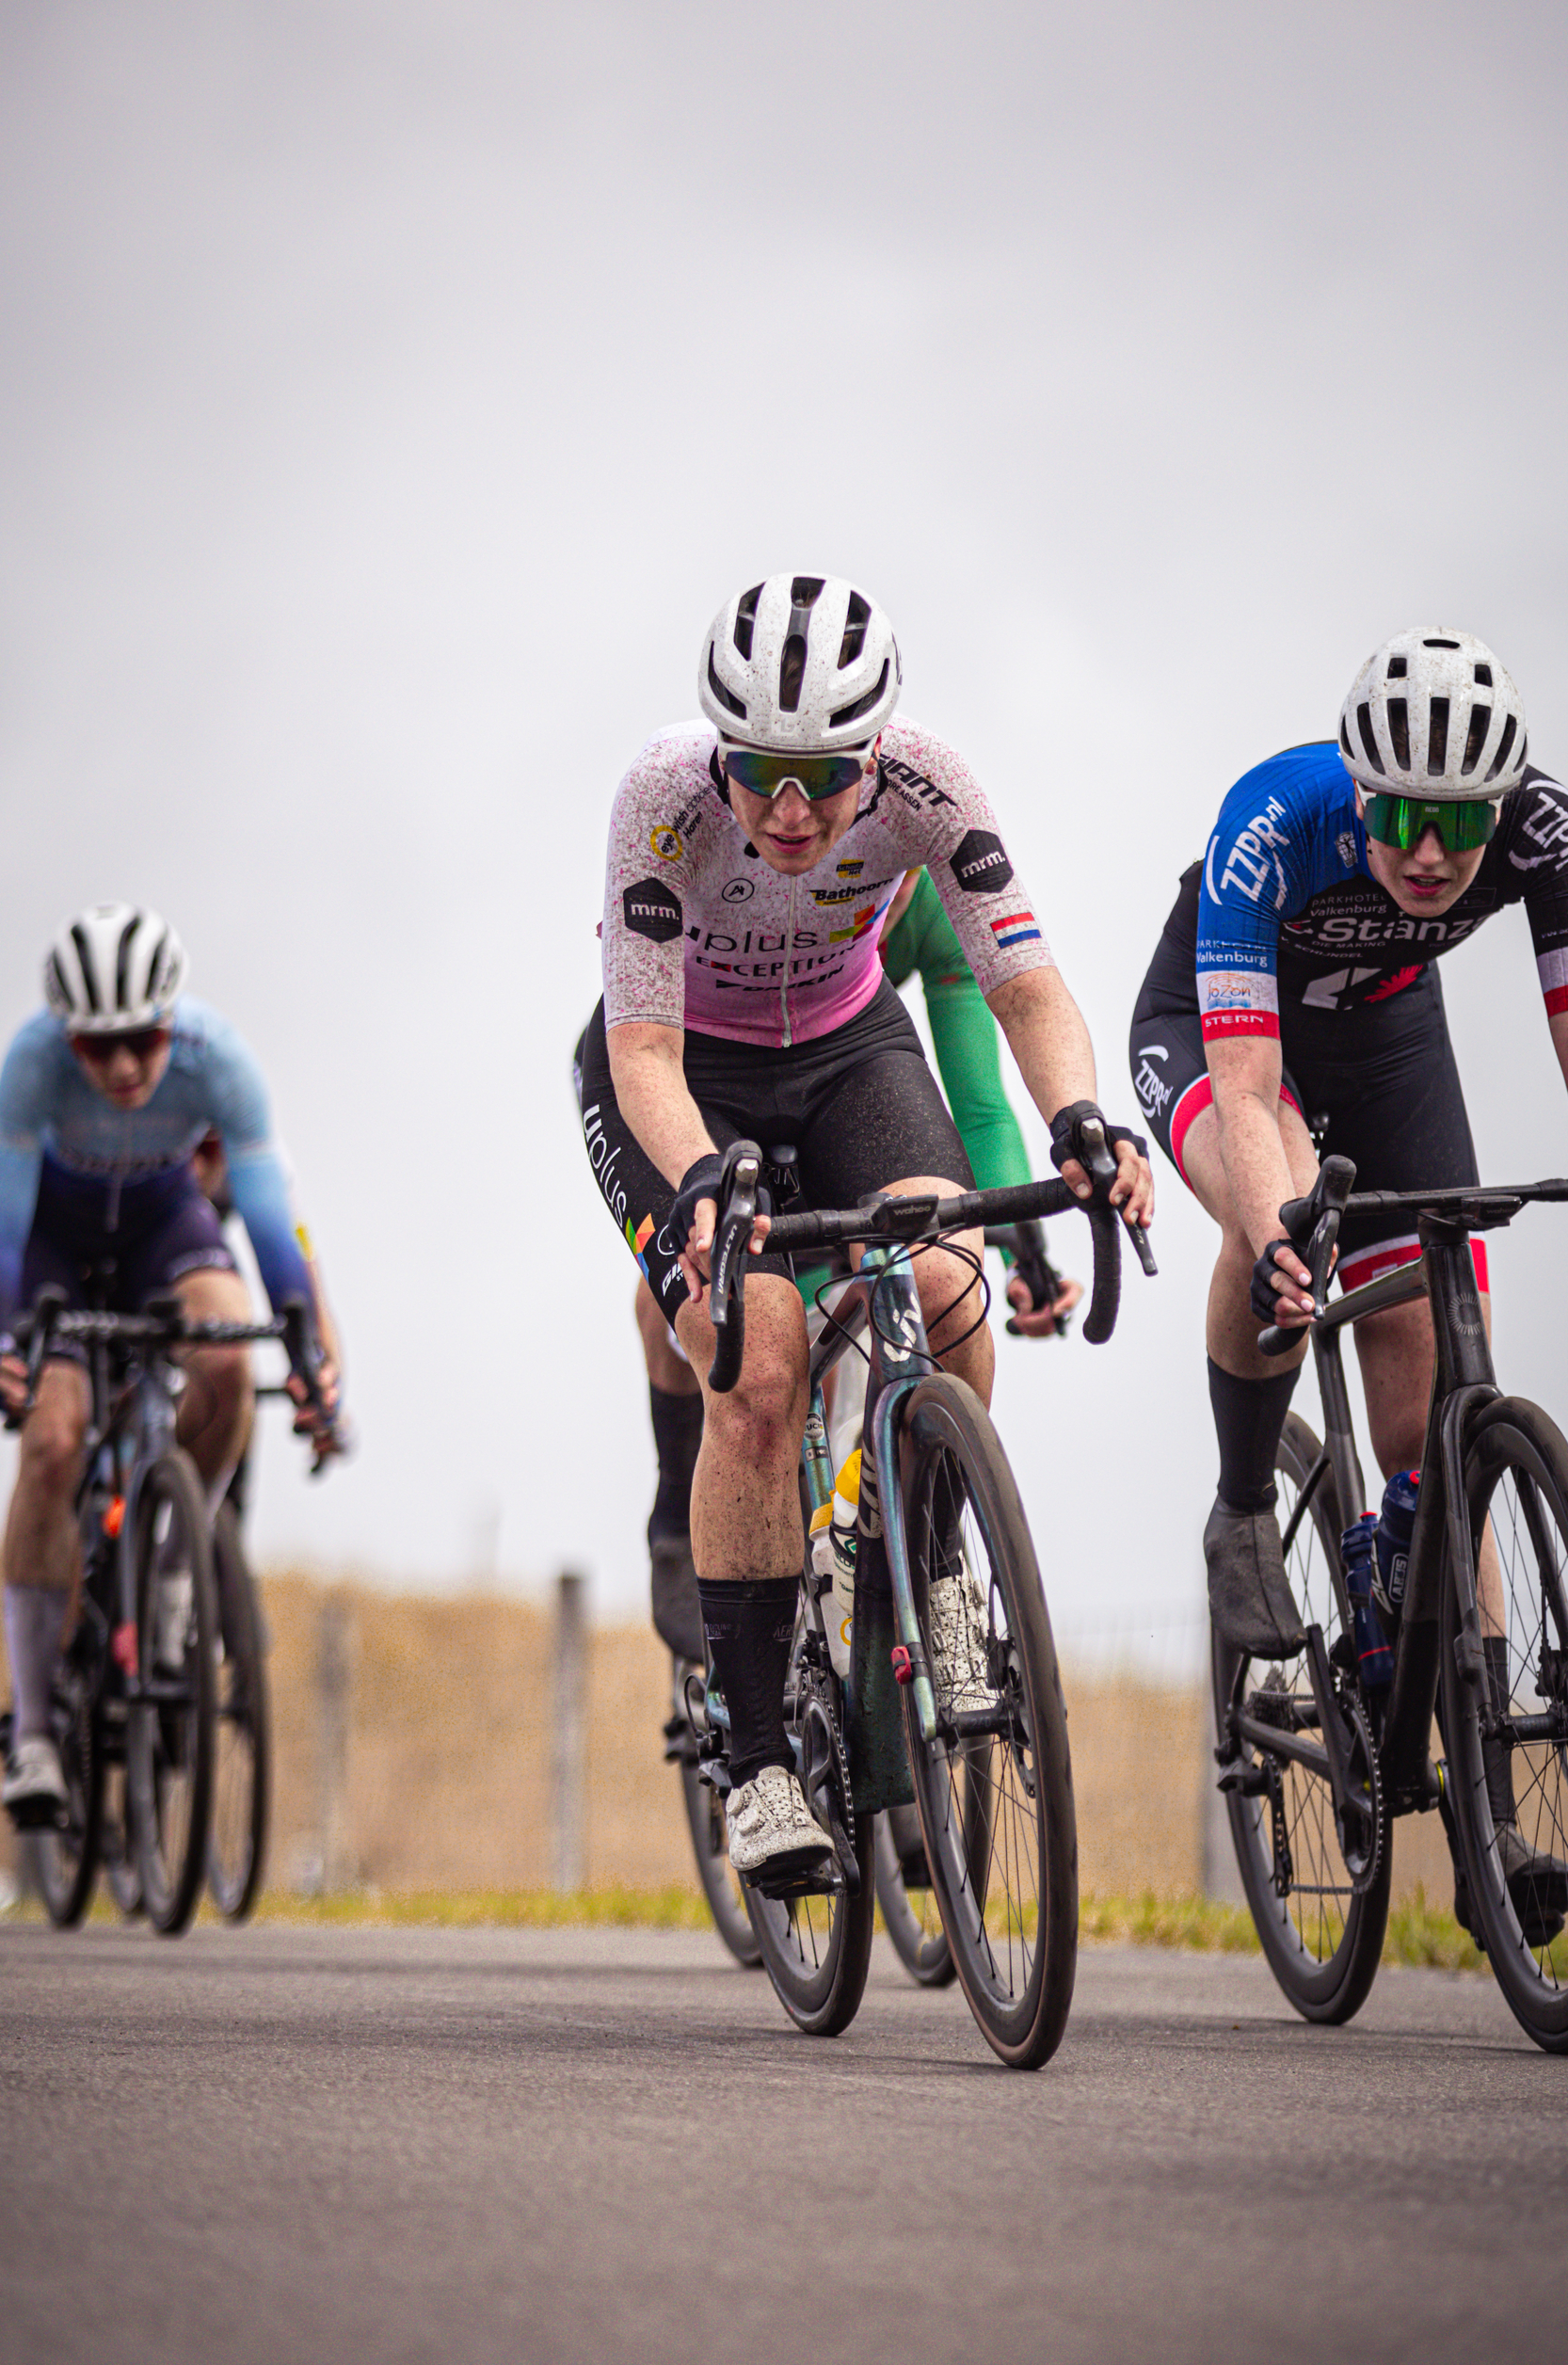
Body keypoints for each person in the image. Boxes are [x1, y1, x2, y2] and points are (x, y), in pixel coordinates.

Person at [580, 570, 1153, 1891]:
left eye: (824, 777)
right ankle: (763, 1760)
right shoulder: (661, 801)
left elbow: (1023, 981)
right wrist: (705, 1188)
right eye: (758, 773)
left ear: (878, 753)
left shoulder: (935, 785)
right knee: (761, 1356)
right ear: (718, 751)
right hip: (682, 1077)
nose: (787, 811)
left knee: (948, 1281)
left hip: (848, 1051)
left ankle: (936, 1561)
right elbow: (645, 1055)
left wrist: (1079, 1119)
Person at [1128, 627, 1568, 1921]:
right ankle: (1245, 1507)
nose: (1430, 851)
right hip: (1222, 1027)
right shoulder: (1274, 822)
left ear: (1499, 804)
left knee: (1435, 1383)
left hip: (1385, 1034)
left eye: (1457, 821)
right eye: (1400, 816)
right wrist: (1278, 1235)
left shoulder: (1545, 833)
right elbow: (1252, 1091)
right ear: (1359, 791)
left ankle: (1482, 1815)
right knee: (1261, 1230)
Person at [638, 864, 1079, 1659]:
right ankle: (677, 1511)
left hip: (840, 1069)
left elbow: (976, 1101)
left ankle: (909, 1555)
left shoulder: (931, 907)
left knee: (911, 1251)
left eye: (887, 877)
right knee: (696, 1297)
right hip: (706, 1072)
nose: (866, 891)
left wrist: (1020, 1247)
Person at [0, 905, 344, 1825]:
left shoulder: (220, 1061)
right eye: (99, 1049)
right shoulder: (29, 1067)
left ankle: (173, 1568)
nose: (125, 1066)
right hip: (58, 1243)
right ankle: (31, 1734)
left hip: (159, 1226)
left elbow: (272, 1225)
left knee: (226, 1357)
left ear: (171, 1024)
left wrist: (306, 1359)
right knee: (53, 1443)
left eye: (142, 1040)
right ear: (69, 1039)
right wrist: (2, 1345)